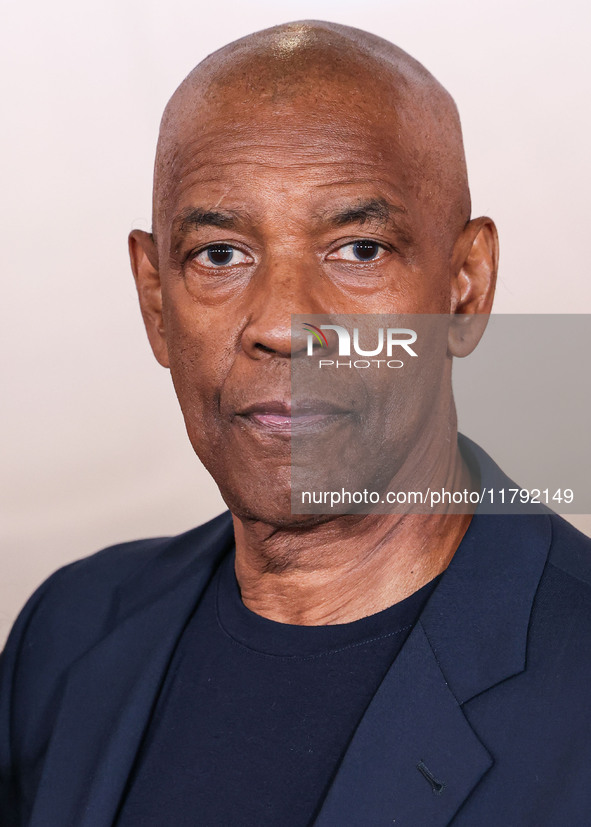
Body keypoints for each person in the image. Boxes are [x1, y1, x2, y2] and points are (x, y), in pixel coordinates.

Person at [1, 20, 591, 827]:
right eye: (219, 256)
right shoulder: (65, 634)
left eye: (357, 250)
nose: (281, 322)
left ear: (465, 287)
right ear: (154, 302)